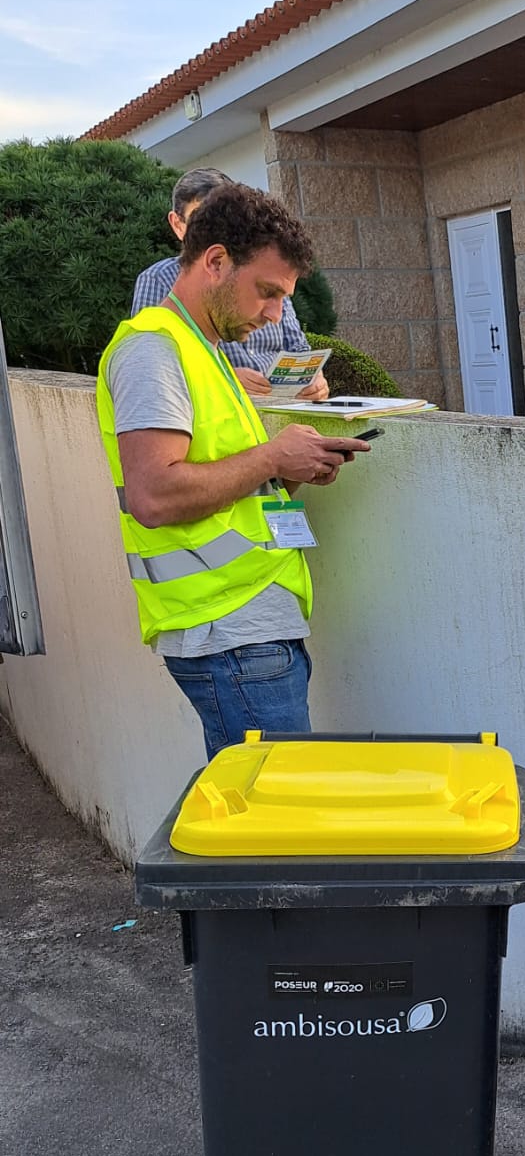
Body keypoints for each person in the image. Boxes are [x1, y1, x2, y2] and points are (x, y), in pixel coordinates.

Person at [98, 183, 367, 758]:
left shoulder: (207, 350)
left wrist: (292, 470)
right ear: (216, 261)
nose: (274, 315)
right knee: (275, 808)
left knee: (257, 802)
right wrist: (272, 456)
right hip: (227, 628)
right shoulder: (153, 350)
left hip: (245, 626)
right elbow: (154, 495)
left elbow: (228, 479)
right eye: (267, 292)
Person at [132, 166, 326, 401]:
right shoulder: (158, 285)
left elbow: (299, 350)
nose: (219, 232)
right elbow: (157, 371)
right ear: (177, 224)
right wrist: (224, 379)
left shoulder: (265, 275)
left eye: (230, 221)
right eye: (202, 220)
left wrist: (313, 379)